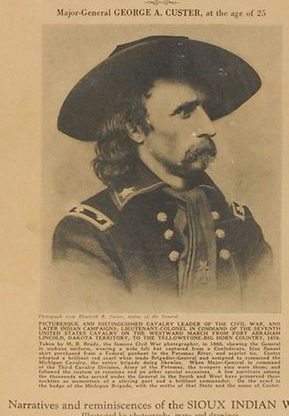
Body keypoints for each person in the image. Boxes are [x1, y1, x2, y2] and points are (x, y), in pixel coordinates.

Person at [51, 34, 273, 310]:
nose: (208, 127)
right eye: (185, 113)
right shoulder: (89, 234)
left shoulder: (239, 224)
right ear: (135, 129)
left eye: (204, 109)